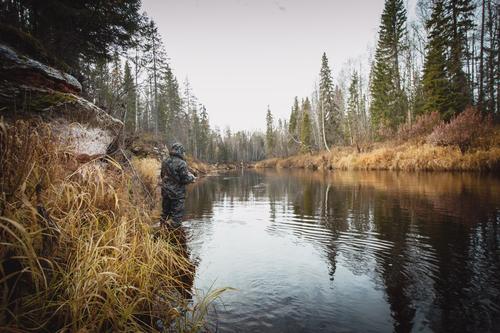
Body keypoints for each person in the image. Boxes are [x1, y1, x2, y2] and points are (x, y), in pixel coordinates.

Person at [160, 142, 196, 229]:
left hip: (165, 192)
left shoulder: (165, 161)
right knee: (176, 217)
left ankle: (162, 231)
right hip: (177, 194)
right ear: (180, 151)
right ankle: (175, 237)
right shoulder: (181, 163)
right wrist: (192, 178)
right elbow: (184, 179)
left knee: (165, 213)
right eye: (183, 152)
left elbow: (162, 175)